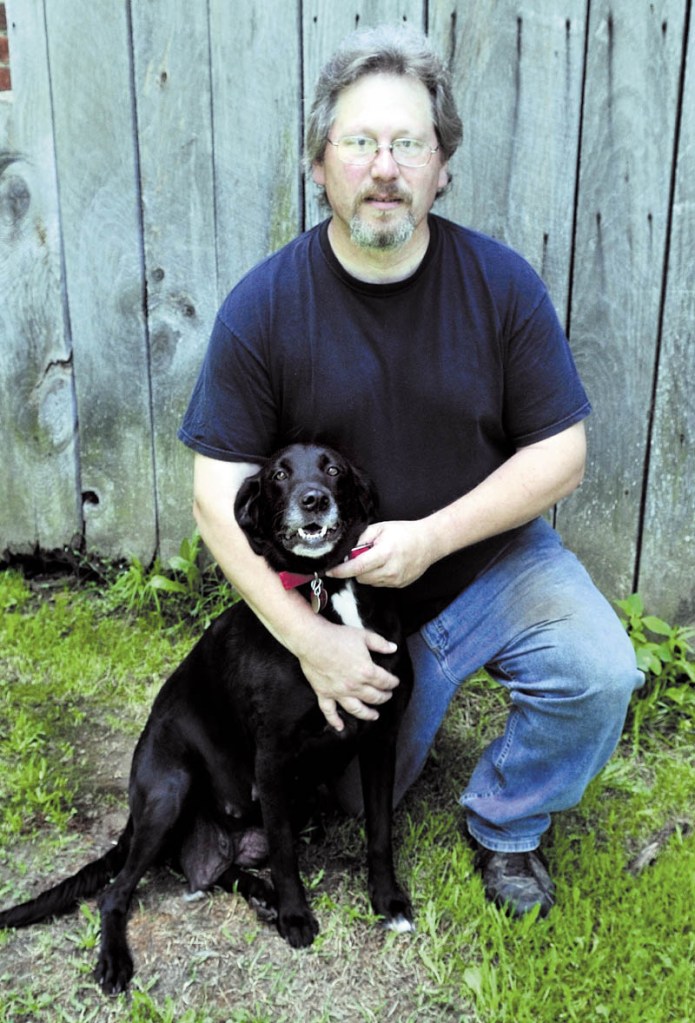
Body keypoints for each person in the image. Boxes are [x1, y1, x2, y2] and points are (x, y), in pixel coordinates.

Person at [178, 24, 643, 918]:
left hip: (487, 564)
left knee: (598, 670)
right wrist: (311, 642)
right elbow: (212, 495)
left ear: (442, 167)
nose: (383, 167)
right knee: (351, 800)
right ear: (319, 164)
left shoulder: (500, 286)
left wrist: (432, 536)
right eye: (357, 142)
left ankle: (506, 823)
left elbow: (562, 452)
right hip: (342, 598)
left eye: (408, 144)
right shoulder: (264, 307)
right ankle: (394, 704)